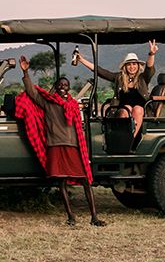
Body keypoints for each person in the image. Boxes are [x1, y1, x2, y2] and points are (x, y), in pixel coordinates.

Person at [17, 56, 106, 227]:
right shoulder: (48, 102)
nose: (63, 88)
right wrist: (25, 72)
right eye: (60, 85)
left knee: (86, 180)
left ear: (69, 88)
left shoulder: (73, 104)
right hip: (56, 145)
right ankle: (71, 216)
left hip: (73, 146)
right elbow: (32, 92)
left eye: (66, 85)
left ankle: (94, 217)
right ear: (55, 88)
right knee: (62, 182)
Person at [75, 41, 158, 138]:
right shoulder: (119, 77)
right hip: (122, 109)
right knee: (127, 108)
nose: (132, 67)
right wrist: (81, 59)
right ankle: (124, 137)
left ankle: (131, 139)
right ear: (125, 67)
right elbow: (100, 71)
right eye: (129, 64)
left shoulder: (142, 78)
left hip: (140, 110)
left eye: (134, 64)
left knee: (138, 109)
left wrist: (151, 54)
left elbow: (149, 69)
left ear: (138, 66)